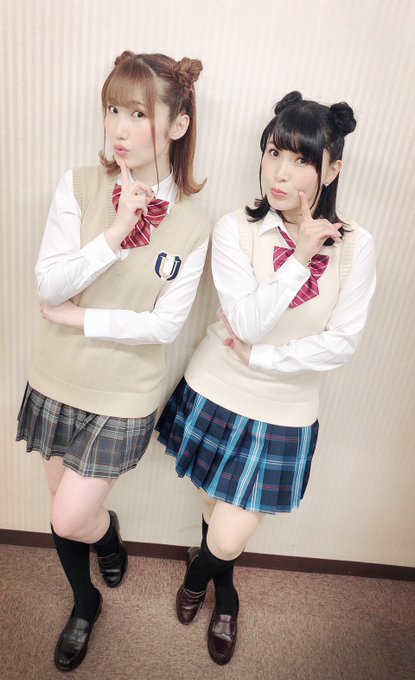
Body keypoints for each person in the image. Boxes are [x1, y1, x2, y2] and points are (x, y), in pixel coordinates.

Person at [156, 91, 376, 665]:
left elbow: (341, 344)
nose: (280, 172)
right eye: (274, 152)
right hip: (214, 390)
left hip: (284, 411)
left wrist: (262, 359)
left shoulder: (356, 247)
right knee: (214, 507)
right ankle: (224, 590)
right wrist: (299, 256)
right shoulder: (236, 228)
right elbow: (248, 322)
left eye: (301, 160)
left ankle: (205, 578)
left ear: (332, 170)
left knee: (227, 533)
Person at [16, 50, 209, 672]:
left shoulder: (194, 223)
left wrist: (80, 317)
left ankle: (101, 540)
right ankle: (87, 596)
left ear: (177, 124)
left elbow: (163, 326)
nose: (119, 128)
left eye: (138, 114)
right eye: (112, 110)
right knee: (67, 518)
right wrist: (113, 234)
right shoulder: (78, 185)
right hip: (59, 377)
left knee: (69, 514)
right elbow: (49, 283)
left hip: (126, 392)